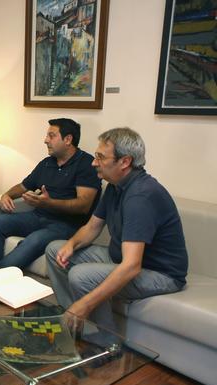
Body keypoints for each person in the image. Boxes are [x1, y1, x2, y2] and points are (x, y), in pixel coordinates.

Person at [46, 127, 188, 333]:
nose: (94, 162)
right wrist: (71, 244)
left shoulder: (141, 196)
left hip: (160, 274)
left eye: (101, 157)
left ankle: (106, 341)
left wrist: (85, 304)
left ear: (125, 162)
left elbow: (132, 266)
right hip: (121, 258)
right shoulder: (115, 186)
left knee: (81, 276)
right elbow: (93, 226)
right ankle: (73, 324)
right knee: (54, 250)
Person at [0, 118, 100, 308]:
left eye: (51, 135)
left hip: (66, 226)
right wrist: (6, 194)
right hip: (38, 217)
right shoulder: (47, 163)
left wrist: (48, 202)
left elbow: (83, 205)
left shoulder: (86, 164)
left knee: (34, 240)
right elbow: (24, 186)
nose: (45, 140)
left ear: (68, 139)